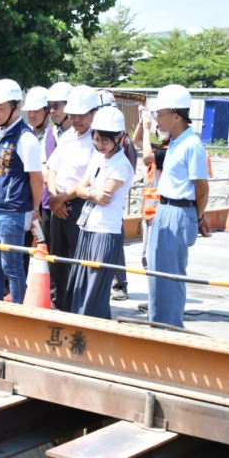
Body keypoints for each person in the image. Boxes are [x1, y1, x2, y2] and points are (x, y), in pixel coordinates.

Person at [146, 85, 211, 327]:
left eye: (159, 114)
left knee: (170, 276)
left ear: (176, 116)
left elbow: (202, 189)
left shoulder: (191, 144)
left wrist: (197, 217)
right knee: (156, 273)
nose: (156, 120)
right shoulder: (174, 142)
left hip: (178, 211)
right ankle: (157, 325)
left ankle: (171, 329)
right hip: (165, 208)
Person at [64, 107, 134, 319]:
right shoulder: (97, 157)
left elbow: (104, 196)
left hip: (105, 231)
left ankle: (92, 332)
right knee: (81, 283)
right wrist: (89, 192)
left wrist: (88, 192)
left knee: (95, 287)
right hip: (87, 226)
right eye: (96, 139)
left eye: (105, 140)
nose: (100, 144)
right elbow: (80, 188)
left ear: (119, 138)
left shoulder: (121, 164)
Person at [0, 80, 44, 304]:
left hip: (13, 212)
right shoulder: (1, 132)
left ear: (16, 108)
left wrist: (34, 209)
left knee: (13, 266)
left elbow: (37, 180)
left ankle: (19, 313)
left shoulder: (25, 138)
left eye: (0, 108)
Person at [45, 85, 98, 310]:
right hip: (59, 203)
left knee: (79, 261)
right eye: (73, 114)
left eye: (81, 115)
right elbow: (52, 168)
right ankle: (59, 307)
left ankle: (78, 308)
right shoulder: (67, 137)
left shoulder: (97, 141)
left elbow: (90, 179)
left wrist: (62, 199)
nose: (76, 119)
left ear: (93, 113)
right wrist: (55, 197)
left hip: (79, 206)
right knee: (57, 261)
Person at [96, 89, 136, 302]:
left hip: (111, 205)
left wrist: (94, 192)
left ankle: (119, 283)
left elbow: (124, 173)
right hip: (93, 209)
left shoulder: (124, 142)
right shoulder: (95, 138)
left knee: (115, 245)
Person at [134, 105, 171, 314]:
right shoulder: (158, 149)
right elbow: (138, 140)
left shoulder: (165, 153)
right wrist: (142, 120)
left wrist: (148, 128)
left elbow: (147, 155)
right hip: (148, 213)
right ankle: (154, 299)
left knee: (155, 260)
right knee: (147, 258)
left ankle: (159, 302)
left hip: (159, 213)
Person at [40, 82, 73, 285]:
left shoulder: (85, 136)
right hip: (50, 204)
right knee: (53, 257)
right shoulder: (50, 133)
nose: (52, 111)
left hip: (71, 204)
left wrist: (62, 199)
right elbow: (45, 167)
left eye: (56, 106)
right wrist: (54, 198)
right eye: (50, 106)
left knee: (71, 258)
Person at [20, 86, 50, 275]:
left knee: (45, 246)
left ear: (47, 110)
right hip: (26, 202)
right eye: (29, 111)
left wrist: (38, 204)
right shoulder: (25, 133)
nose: (31, 115)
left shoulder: (53, 136)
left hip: (45, 202)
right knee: (22, 248)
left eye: (36, 110)